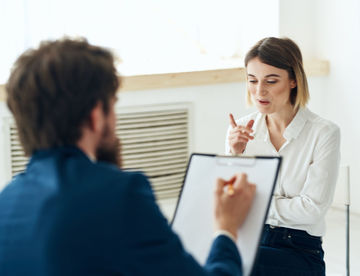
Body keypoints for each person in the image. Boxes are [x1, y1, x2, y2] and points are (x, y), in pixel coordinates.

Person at [0, 38, 256, 276]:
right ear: (96, 115)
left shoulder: (7, 201)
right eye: (113, 104)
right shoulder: (120, 195)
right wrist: (227, 228)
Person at [226, 37, 340, 276]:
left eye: (271, 80)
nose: (259, 91)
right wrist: (235, 154)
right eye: (252, 80)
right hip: (251, 237)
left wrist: (255, 204)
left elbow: (312, 210)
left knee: (234, 263)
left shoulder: (323, 132)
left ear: (293, 81)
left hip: (299, 249)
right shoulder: (241, 129)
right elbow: (230, 201)